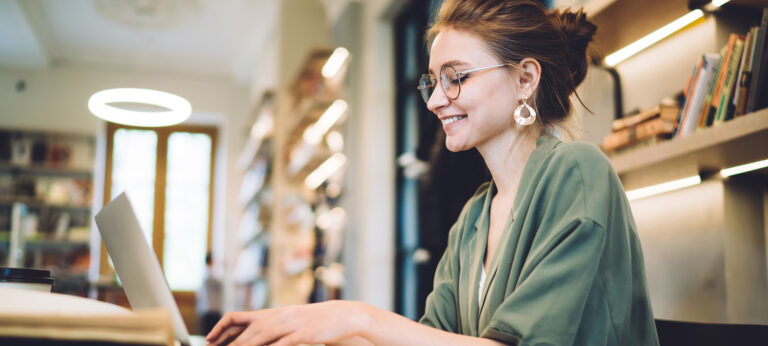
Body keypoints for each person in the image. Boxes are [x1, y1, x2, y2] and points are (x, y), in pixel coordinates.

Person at [206, 0, 659, 345]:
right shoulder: (474, 219)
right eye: (432, 81)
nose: (435, 100)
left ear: (525, 79)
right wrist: (304, 328)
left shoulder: (579, 171)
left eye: (456, 77)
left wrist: (357, 317)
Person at [197, 252, 223, 336]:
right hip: (211, 310)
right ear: (211, 261)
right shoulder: (210, 274)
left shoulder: (204, 273)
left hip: (206, 309)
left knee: (207, 334)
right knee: (211, 334)